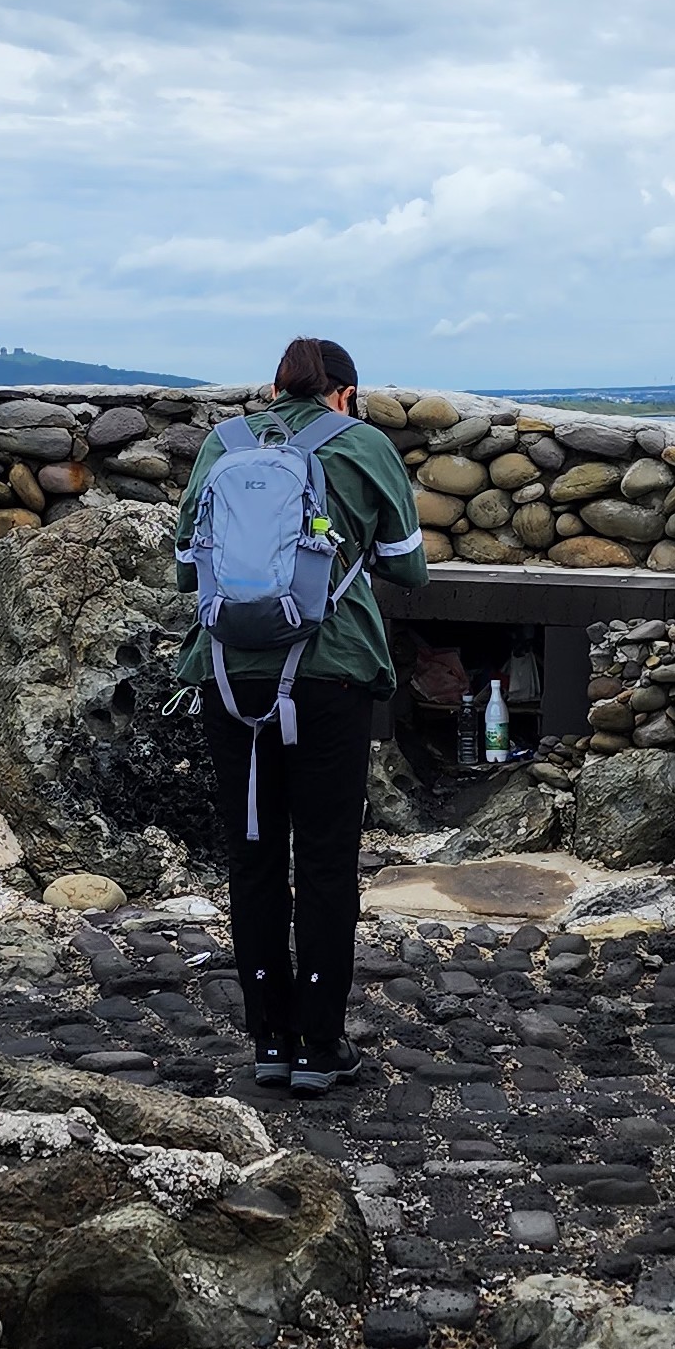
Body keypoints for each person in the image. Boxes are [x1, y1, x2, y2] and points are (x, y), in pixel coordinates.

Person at [172, 336, 425, 1095]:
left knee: (251, 857)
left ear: (275, 387)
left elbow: (186, 567)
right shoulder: (364, 445)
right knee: (323, 858)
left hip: (231, 676)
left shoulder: (223, 444)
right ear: (343, 393)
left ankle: (269, 1044)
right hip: (330, 677)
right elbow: (409, 567)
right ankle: (320, 1045)